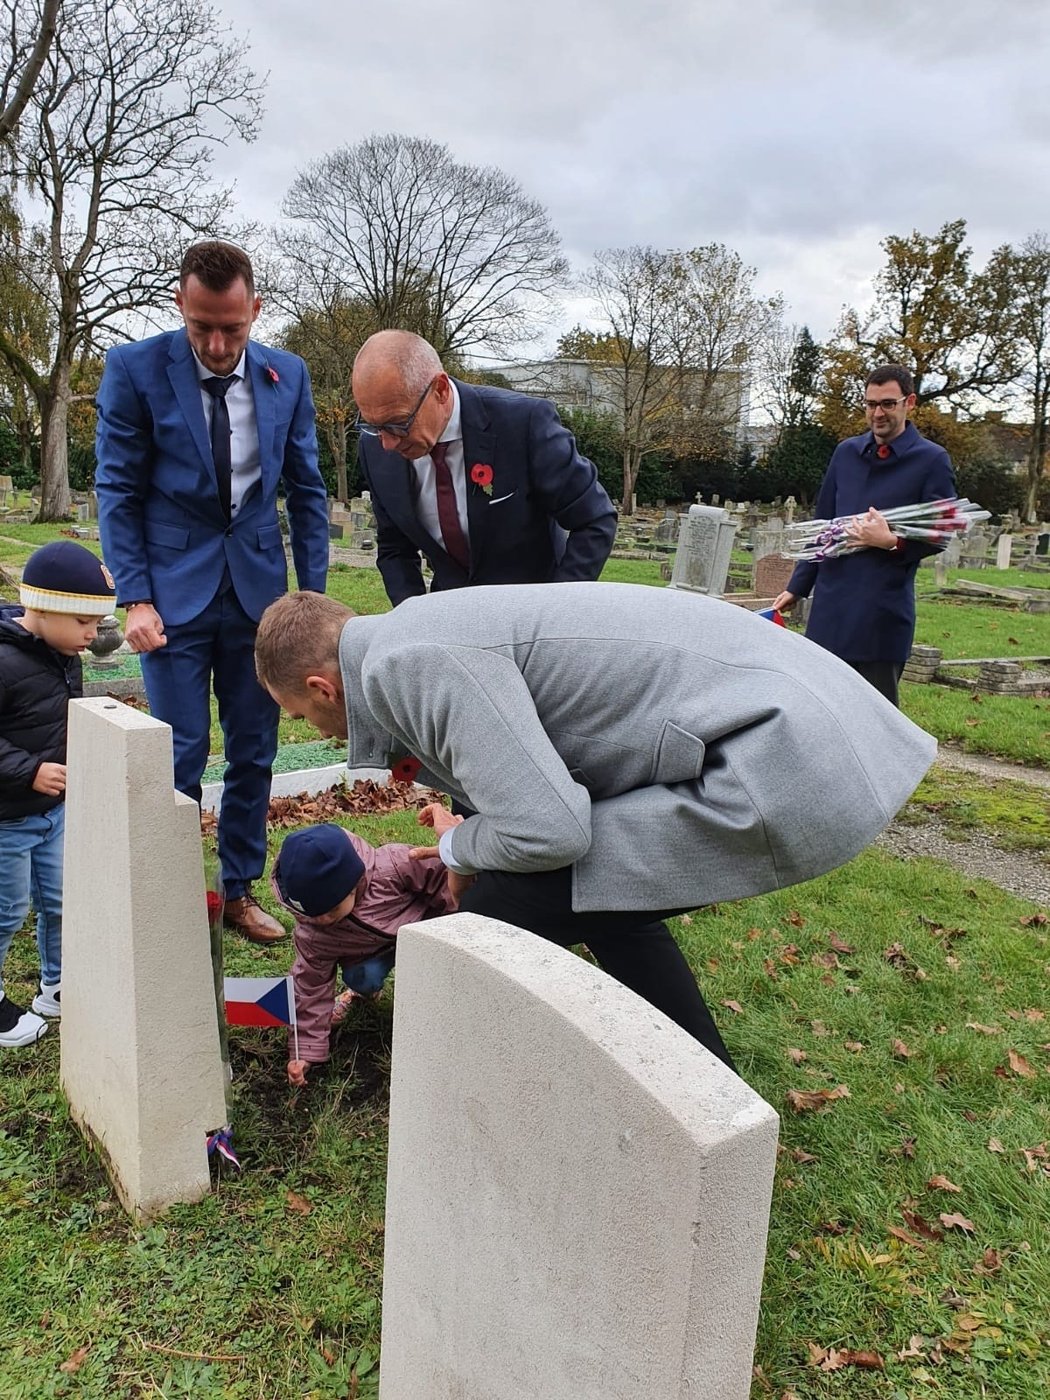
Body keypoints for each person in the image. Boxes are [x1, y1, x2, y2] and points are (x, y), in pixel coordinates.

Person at [255, 583, 938, 1072]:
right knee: (608, 890)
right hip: (797, 723)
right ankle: (706, 1088)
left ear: (322, 687)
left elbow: (550, 832)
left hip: (786, 752)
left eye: (299, 715)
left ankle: (472, 1095)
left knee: (486, 918)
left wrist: (456, 847)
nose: (311, 729)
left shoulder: (407, 663)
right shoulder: (405, 637)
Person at [95, 240, 330, 943]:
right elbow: (117, 488)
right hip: (169, 598)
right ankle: (167, 900)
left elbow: (308, 491)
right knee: (180, 751)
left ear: (255, 310)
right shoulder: (134, 370)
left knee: (254, 748)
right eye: (203, 328)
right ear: (180, 306)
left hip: (259, 597)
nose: (220, 343)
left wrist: (310, 600)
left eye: (233, 327)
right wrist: (134, 596)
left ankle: (238, 892)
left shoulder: (287, 375)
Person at [351, 330, 618, 606]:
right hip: (449, 620)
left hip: (530, 618)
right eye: (372, 424)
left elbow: (594, 519)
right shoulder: (375, 450)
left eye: (398, 423)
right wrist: (414, 621)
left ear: (440, 390)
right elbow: (395, 547)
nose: (388, 443)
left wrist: (553, 611)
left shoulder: (522, 424)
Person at [772, 364, 956, 706]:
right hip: (830, 611)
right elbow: (823, 524)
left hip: (880, 617)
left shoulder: (931, 460)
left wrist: (890, 542)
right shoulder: (846, 453)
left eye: (887, 403)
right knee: (820, 713)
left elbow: (941, 532)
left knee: (874, 724)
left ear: (909, 402)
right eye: (871, 404)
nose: (877, 413)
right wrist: (797, 587)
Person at [0, 541, 115, 1048]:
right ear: (42, 607)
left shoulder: (61, 652)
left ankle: (57, 985)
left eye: (97, 624)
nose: (92, 636)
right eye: (84, 623)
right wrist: (29, 772)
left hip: (54, 813)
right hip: (8, 817)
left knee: (61, 901)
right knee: (7, 908)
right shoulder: (5, 660)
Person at [271, 822, 459, 1085]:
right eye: (315, 913)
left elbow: (444, 882)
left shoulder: (394, 866)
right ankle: (361, 991)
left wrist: (457, 925)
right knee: (361, 976)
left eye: (332, 910)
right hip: (372, 953)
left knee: (436, 986)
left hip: (426, 931)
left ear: (353, 884)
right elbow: (309, 988)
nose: (323, 919)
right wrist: (305, 1051)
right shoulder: (314, 934)